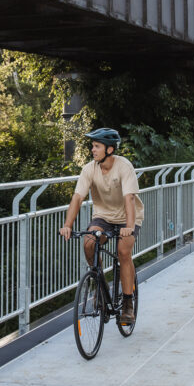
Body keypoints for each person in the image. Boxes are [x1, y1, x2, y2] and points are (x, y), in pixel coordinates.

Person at [59, 128, 144, 326]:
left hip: (128, 217)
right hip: (103, 216)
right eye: (93, 146)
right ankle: (100, 282)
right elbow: (77, 197)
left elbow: (129, 198)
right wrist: (67, 225)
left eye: (97, 146)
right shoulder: (89, 169)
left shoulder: (124, 166)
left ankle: (128, 304)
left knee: (123, 251)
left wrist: (129, 227)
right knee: (89, 242)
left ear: (110, 149)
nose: (92, 150)